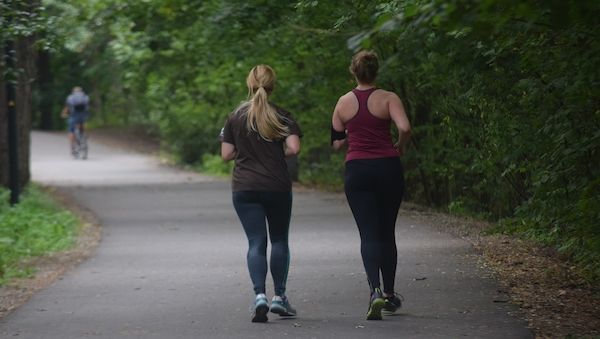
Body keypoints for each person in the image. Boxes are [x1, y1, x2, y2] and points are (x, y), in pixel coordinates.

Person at [330, 50, 411, 320]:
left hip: (358, 171)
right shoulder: (389, 98)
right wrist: (400, 144)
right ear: (376, 70)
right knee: (387, 232)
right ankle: (389, 294)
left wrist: (349, 137)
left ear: (353, 71)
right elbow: (405, 127)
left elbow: (337, 141)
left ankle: (373, 291)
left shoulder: (342, 103)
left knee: (368, 234)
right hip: (388, 168)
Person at [220, 65, 302, 323]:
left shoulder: (235, 116)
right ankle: (279, 297)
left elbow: (226, 154)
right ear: (272, 85)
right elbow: (294, 148)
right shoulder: (282, 115)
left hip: (244, 187)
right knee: (279, 240)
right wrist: (273, 154)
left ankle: (260, 297)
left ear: (250, 84)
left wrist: (246, 153)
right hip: (277, 186)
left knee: (256, 242)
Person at [61, 86, 90, 157]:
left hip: (74, 115)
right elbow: (87, 107)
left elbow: (67, 107)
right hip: (83, 115)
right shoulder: (85, 97)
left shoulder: (70, 97)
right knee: (83, 124)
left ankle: (72, 148)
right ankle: (85, 135)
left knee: (71, 131)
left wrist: (63, 114)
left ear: (73, 92)